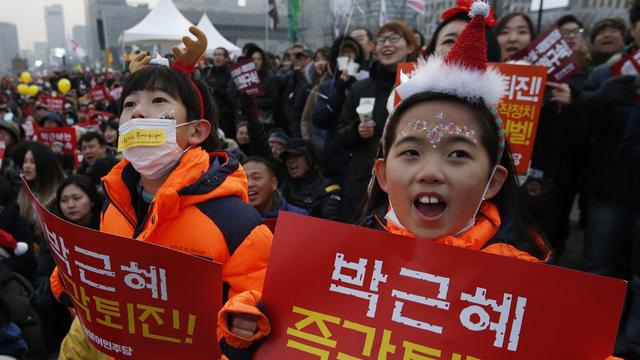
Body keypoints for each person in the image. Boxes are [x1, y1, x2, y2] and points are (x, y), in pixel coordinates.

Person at [56, 27, 273, 358]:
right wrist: (74, 275)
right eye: (130, 105)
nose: (139, 112)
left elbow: (261, 296)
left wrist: (242, 322)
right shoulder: (113, 204)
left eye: (158, 101)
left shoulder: (235, 221)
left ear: (196, 130)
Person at [337, 21, 418, 222]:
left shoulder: (421, 87)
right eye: (382, 40)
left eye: (394, 38)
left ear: (410, 46)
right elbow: (340, 133)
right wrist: (356, 131)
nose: (386, 44)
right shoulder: (360, 88)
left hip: (407, 181)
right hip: (362, 180)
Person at [311, 36, 365, 185]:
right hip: (335, 156)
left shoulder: (366, 84)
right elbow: (319, 119)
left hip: (360, 154)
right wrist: (339, 88)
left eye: (351, 54)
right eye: (343, 54)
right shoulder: (328, 86)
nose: (347, 58)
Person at [279, 139, 341, 220]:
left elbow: (331, 221)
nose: (291, 161)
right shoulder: (283, 187)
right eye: (287, 158)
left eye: (296, 156)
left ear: (310, 158)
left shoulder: (327, 188)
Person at [242, 157, 308, 218]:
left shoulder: (298, 216)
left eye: (256, 177)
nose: (249, 184)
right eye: (244, 179)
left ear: (274, 183)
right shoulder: (235, 218)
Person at [205, 47, 235, 138]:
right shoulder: (209, 72)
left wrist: (216, 90)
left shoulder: (231, 72)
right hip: (212, 113)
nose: (217, 57)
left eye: (220, 55)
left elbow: (232, 94)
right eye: (215, 55)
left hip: (227, 115)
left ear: (226, 58)